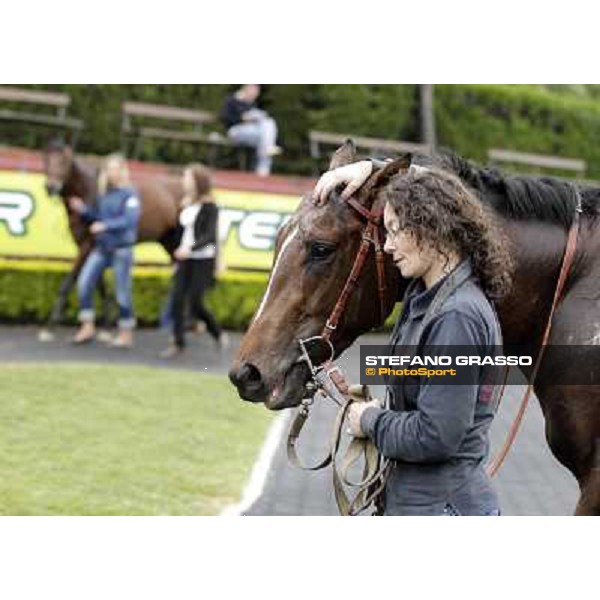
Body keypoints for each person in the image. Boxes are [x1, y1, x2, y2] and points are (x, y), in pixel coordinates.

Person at [312, 159, 513, 516]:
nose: (387, 246)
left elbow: (435, 434)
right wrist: (360, 401)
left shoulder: (457, 316)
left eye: (393, 230)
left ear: (430, 228)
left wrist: (370, 422)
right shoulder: (431, 298)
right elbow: (426, 394)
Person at [69, 153, 141, 348]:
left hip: (121, 250)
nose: (112, 173)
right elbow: (97, 217)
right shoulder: (104, 195)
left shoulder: (130, 194)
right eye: (109, 169)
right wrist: (83, 210)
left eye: (116, 169)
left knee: (122, 293)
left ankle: (126, 333)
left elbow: (130, 220)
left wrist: (105, 225)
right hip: (102, 249)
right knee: (84, 284)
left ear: (123, 171)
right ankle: (87, 326)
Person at [160, 163, 228, 358]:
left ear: (198, 182)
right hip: (185, 260)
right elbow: (180, 234)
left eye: (187, 177)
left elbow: (209, 237)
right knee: (176, 299)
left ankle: (217, 332)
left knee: (196, 303)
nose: (184, 181)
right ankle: (178, 342)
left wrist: (189, 249)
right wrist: (177, 255)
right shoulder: (186, 203)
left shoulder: (210, 206)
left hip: (202, 260)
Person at [220, 84, 281, 176]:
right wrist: (242, 119)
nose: (254, 95)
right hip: (234, 132)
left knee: (267, 125)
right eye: (253, 92)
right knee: (266, 136)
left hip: (250, 132)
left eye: (256, 93)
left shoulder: (251, 103)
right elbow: (224, 118)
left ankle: (262, 172)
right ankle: (264, 167)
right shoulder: (231, 100)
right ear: (246, 89)